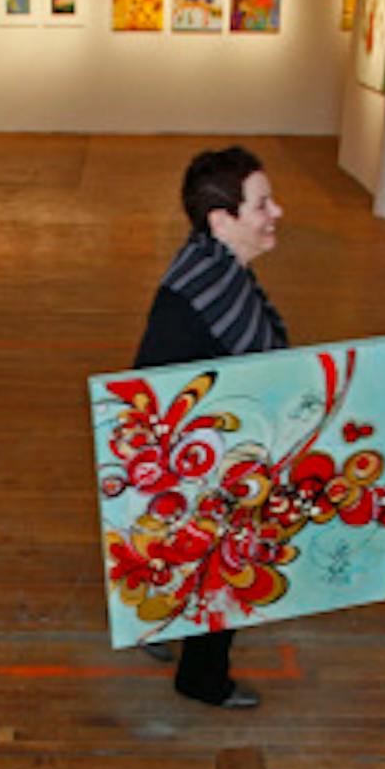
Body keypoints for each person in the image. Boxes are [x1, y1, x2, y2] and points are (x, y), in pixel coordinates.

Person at [132, 145, 287, 709]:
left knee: (180, 546)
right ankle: (202, 678)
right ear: (222, 220)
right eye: (262, 203)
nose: (277, 212)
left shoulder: (209, 264)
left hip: (189, 440)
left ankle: (155, 621)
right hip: (198, 449)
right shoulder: (211, 287)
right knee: (228, 557)